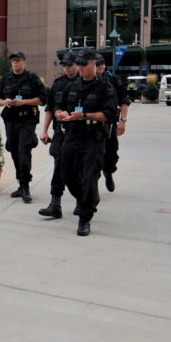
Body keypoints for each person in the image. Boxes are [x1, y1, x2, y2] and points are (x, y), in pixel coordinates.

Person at [53, 48, 117, 237]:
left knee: (89, 178)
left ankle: (85, 217)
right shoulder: (71, 86)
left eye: (83, 64)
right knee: (67, 174)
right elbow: (58, 106)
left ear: (93, 64)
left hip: (93, 138)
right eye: (78, 64)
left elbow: (109, 115)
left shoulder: (105, 87)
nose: (79, 67)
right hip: (72, 135)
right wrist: (60, 114)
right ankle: (87, 198)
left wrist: (85, 115)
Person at [0, 51, 47, 203]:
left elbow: (43, 99)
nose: (15, 63)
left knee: (24, 152)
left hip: (27, 120)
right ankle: (21, 182)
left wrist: (23, 102)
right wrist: (5, 102)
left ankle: (25, 187)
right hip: (10, 120)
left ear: (24, 62)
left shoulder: (32, 78)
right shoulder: (6, 78)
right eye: (13, 61)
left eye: (18, 61)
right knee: (14, 151)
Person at [37, 52, 79, 219]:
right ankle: (55, 203)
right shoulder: (58, 83)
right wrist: (45, 130)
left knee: (78, 170)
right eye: (64, 65)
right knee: (59, 167)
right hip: (61, 132)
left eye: (69, 65)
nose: (66, 68)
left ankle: (81, 200)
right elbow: (50, 108)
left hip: (80, 134)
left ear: (77, 64)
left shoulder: (84, 82)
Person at [96, 55, 130, 192]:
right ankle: (92, 185)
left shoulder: (113, 80)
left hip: (109, 123)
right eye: (98, 64)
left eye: (103, 63)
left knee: (111, 154)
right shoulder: (85, 80)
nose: (101, 66)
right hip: (91, 124)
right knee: (94, 155)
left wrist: (123, 121)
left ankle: (108, 172)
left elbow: (124, 101)